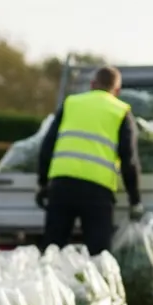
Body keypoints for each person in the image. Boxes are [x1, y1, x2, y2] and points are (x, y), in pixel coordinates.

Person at [36, 66, 143, 255]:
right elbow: (129, 160)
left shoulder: (71, 104)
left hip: (62, 186)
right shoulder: (120, 111)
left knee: (52, 250)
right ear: (117, 91)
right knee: (98, 254)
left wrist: (43, 183)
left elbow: (47, 146)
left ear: (92, 84)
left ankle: (49, 283)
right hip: (97, 192)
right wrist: (135, 200)